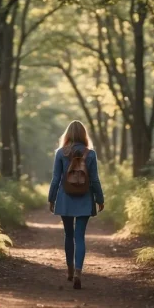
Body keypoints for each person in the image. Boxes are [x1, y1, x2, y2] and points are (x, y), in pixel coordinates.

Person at [48, 120, 105, 290]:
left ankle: (70, 271)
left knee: (68, 235)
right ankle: (79, 272)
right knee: (80, 236)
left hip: (65, 198)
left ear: (67, 134)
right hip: (85, 198)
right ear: (83, 134)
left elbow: (56, 179)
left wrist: (51, 198)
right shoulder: (91, 154)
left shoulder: (60, 153)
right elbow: (94, 179)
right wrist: (99, 199)